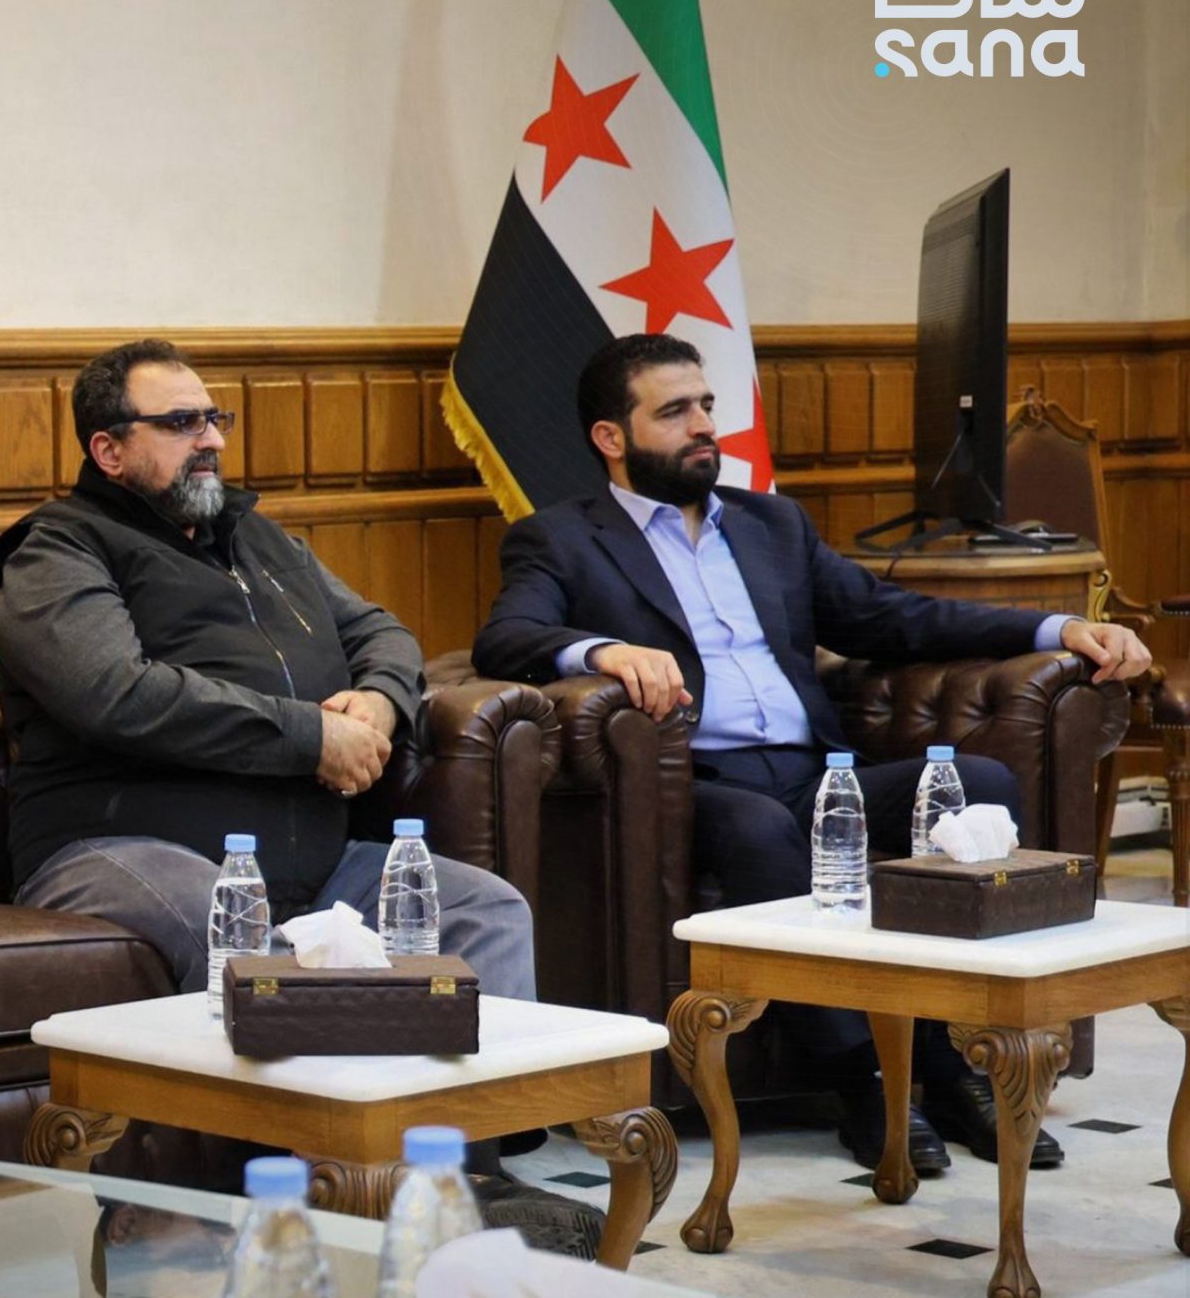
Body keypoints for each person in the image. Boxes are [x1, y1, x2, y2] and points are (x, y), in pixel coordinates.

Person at [471, 331, 1151, 1175]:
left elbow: (889, 617)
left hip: (817, 771)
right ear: (612, 437)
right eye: (674, 411)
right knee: (760, 831)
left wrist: (1056, 628)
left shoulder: (770, 523)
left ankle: (953, 1063)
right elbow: (506, 636)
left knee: (976, 784)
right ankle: (861, 1079)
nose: (704, 426)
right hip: (698, 786)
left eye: (706, 405)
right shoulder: (564, 539)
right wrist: (601, 651)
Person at [0, 338, 537, 1004]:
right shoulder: (57, 550)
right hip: (123, 848)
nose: (212, 440)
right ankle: (327, 1076)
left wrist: (379, 701)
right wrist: (310, 737)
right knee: (238, 931)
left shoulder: (258, 539)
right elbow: (114, 693)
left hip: (312, 866)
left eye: (215, 420)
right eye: (182, 423)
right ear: (109, 451)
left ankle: (456, 1082)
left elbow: (378, 631)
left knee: (486, 910)